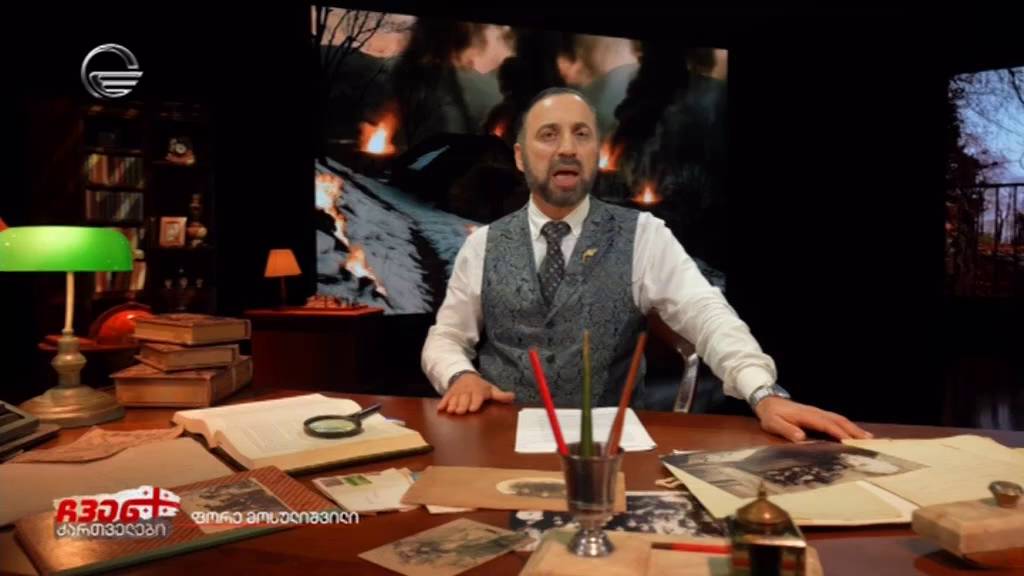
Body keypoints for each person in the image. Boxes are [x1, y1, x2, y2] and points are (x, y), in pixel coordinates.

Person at [421, 87, 871, 443]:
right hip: (502, 440)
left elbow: (706, 314)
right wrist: (461, 375)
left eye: (582, 134)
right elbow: (446, 337)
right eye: (549, 135)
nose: (567, 148)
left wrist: (763, 393)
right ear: (520, 157)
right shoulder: (483, 245)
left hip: (611, 450)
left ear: (597, 152)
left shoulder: (645, 234)